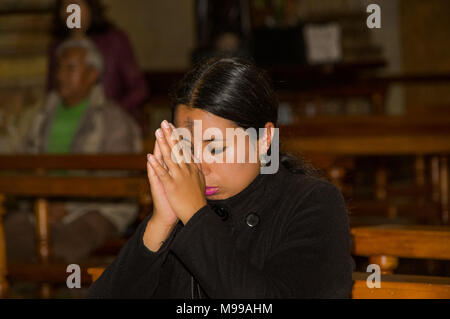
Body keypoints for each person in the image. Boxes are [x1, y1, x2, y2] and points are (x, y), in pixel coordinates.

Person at [88, 58, 354, 298]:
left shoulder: (313, 203)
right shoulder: (179, 206)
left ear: (264, 138)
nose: (199, 167)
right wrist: (160, 222)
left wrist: (195, 216)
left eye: (215, 148)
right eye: (187, 148)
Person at [5, 38, 142, 264]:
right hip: (38, 207)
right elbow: (19, 155)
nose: (60, 75)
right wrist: (40, 204)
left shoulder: (113, 119)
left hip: (94, 209)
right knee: (8, 239)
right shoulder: (40, 114)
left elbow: (116, 179)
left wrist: (67, 206)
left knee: (65, 251)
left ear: (92, 74)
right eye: (59, 67)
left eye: (70, 68)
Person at [47, 0, 149, 124]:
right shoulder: (57, 46)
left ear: (90, 7)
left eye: (75, 5)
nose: (70, 12)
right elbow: (52, 91)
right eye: (65, 6)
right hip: (70, 122)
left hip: (111, 124)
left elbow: (139, 89)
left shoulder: (114, 41)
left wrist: (110, 114)